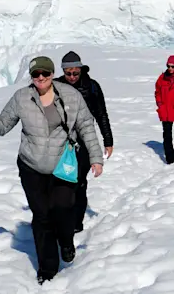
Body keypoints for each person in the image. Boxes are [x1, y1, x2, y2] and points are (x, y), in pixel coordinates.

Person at [0, 56, 104, 285]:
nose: (40, 78)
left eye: (45, 73)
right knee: (42, 216)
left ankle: (66, 241)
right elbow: (3, 125)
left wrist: (96, 157)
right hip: (31, 166)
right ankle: (47, 268)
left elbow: (86, 126)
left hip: (61, 166)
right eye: (36, 74)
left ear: (52, 74)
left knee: (63, 208)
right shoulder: (22, 97)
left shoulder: (70, 96)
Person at [53, 51, 113, 235]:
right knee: (62, 182)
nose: (71, 77)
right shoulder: (55, 86)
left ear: (80, 69)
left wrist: (107, 140)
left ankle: (76, 222)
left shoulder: (92, 87)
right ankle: (63, 217)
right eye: (68, 73)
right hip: (61, 142)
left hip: (85, 142)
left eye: (75, 73)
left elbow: (101, 114)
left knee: (79, 182)